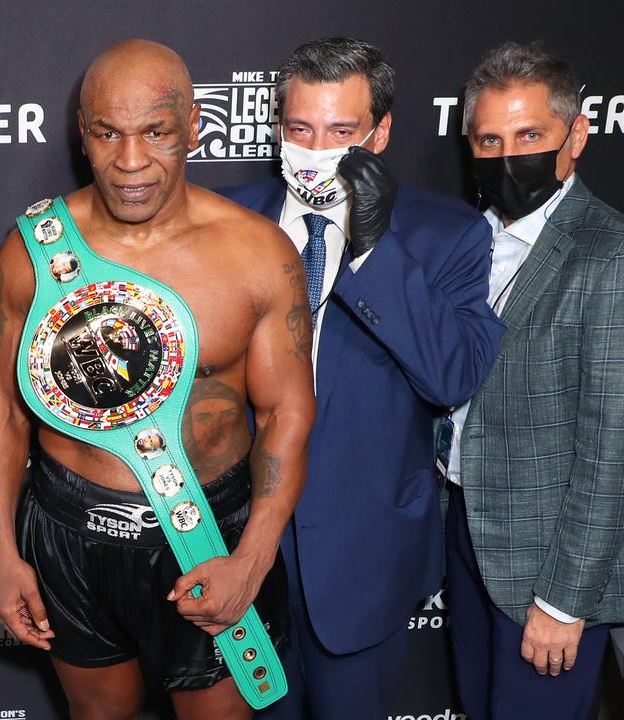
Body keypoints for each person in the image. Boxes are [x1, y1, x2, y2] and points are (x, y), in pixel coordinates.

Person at [0, 39, 314, 719]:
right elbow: (0, 410)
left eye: (155, 133)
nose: (130, 163)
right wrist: (0, 549)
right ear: (83, 133)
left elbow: (287, 415)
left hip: (206, 535)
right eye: (108, 134)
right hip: (67, 533)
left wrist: (252, 558)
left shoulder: (256, 252)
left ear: (192, 126)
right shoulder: (33, 250)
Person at [219, 37, 503, 719]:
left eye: (341, 131)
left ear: (380, 132)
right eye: (299, 129)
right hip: (227, 547)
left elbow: (453, 377)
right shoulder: (220, 223)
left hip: (365, 558)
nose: (316, 149)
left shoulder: (447, 235)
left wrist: (376, 251)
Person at [447, 40, 624, 720]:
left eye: (530, 136)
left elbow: (615, 451)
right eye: (490, 139)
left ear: (577, 135)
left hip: (547, 566)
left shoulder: (614, 254)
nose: (508, 158)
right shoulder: (464, 242)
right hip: (465, 534)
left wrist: (564, 602)